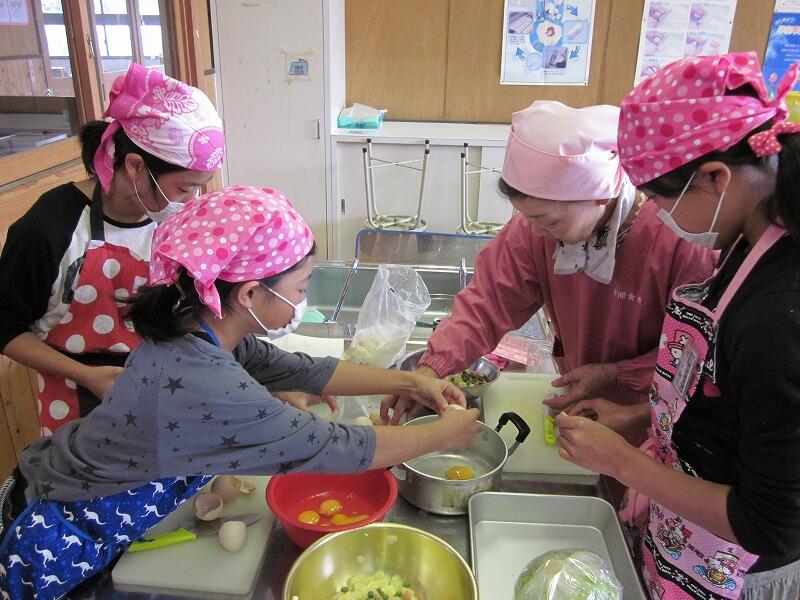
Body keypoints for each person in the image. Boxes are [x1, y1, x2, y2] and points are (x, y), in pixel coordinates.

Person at [0, 186, 481, 600]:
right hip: (50, 537)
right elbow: (340, 447)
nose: (303, 301)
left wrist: (410, 380)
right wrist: (445, 434)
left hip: (86, 504)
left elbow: (304, 370)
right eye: (301, 288)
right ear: (250, 294)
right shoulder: (208, 384)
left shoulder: (200, 328)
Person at [555, 52, 800, 599]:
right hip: (683, 538)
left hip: (738, 572)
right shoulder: (748, 245)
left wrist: (622, 462)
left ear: (715, 177)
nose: (661, 217)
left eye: (660, 200)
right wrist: (636, 415)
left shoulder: (779, 316)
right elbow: (731, 406)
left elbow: (770, 523)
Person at [384, 101, 716, 446]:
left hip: (661, 413)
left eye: (550, 221)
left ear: (601, 197)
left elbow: (699, 352)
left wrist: (617, 374)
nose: (537, 232)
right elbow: (486, 303)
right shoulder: (533, 231)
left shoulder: (681, 238)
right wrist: (430, 369)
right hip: (584, 407)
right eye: (527, 217)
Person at [0, 63, 225, 435]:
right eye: (185, 188)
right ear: (136, 166)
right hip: (76, 398)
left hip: (167, 389)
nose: (192, 200)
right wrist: (85, 375)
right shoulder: (49, 228)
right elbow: (5, 329)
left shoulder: (175, 222)